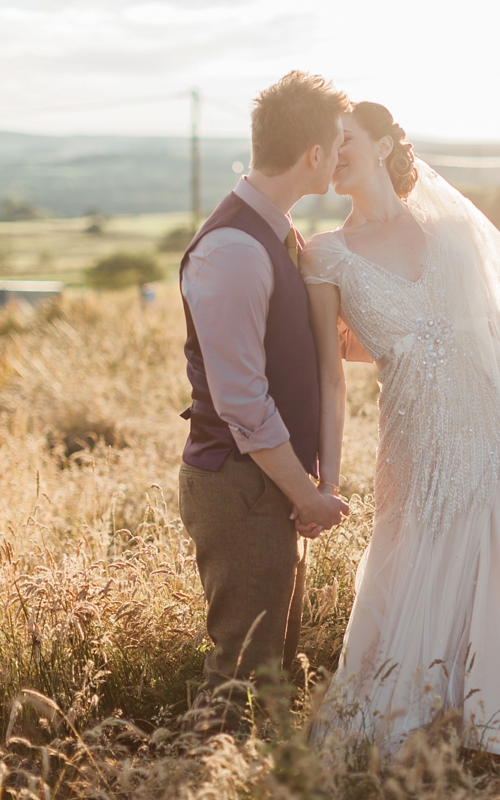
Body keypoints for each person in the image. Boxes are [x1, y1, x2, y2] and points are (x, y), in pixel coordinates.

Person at [300, 102, 500, 768]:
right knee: (416, 547)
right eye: (326, 146)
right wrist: (325, 478)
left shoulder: (450, 227)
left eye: (348, 141)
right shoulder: (325, 255)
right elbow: (332, 375)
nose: (335, 154)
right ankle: (420, 713)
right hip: (415, 433)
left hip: (494, 421)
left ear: (386, 142)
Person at [177, 71, 353, 707]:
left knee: (276, 663)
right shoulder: (233, 248)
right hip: (238, 489)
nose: (340, 156)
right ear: (313, 156)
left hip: (269, 486)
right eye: (336, 144)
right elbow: (242, 404)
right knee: (242, 670)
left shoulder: (278, 233)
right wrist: (307, 494)